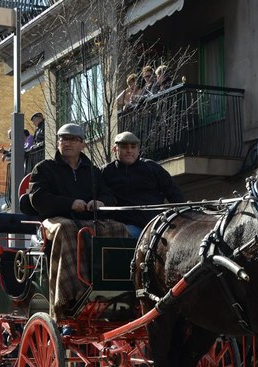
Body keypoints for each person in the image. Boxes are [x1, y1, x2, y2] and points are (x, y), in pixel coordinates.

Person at [29, 123, 128, 318]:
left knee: (119, 228)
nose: (67, 143)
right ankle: (70, 295)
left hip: (88, 221)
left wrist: (99, 202)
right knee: (67, 229)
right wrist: (70, 203)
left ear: (83, 144)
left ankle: (120, 290)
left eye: (73, 139)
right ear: (58, 142)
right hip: (54, 219)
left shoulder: (93, 171)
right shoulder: (44, 168)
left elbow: (110, 197)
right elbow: (37, 198)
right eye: (63, 139)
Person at [101, 131, 185, 237]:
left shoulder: (152, 168)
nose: (129, 151)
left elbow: (174, 193)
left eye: (133, 147)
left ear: (138, 150)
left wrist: (183, 217)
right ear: (115, 149)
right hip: (125, 228)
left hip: (156, 227)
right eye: (124, 147)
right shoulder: (106, 172)